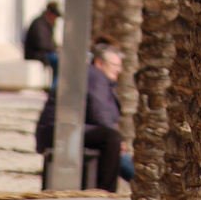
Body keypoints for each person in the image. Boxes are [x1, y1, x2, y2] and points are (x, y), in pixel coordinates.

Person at [35, 42, 134, 191]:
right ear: (100, 63)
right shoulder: (95, 77)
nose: (118, 70)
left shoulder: (95, 76)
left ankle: (137, 181)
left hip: (62, 129)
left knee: (114, 143)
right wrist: (116, 137)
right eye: (114, 65)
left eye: (120, 66)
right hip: (58, 130)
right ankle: (105, 191)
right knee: (111, 138)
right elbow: (100, 111)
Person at [24, 1, 62, 89]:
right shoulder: (38, 24)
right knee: (58, 62)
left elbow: (51, 42)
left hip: (45, 53)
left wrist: (57, 48)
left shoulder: (48, 24)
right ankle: (54, 89)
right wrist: (55, 49)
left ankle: (56, 87)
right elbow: (40, 44)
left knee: (62, 60)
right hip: (36, 54)